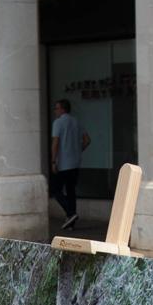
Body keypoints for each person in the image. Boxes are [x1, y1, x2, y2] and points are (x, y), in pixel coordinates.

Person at [50, 97, 90, 230]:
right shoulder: (76, 121)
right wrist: (78, 150)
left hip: (63, 163)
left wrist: (54, 160)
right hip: (75, 162)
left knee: (55, 190)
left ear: (62, 109)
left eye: (56, 108)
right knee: (71, 191)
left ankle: (71, 213)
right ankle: (70, 223)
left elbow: (55, 142)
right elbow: (87, 140)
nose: (55, 111)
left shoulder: (58, 123)